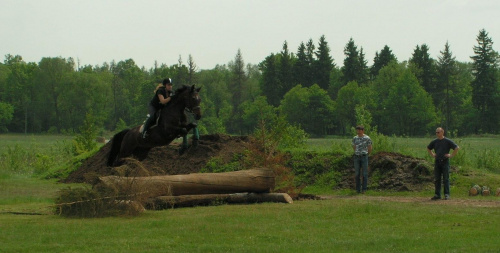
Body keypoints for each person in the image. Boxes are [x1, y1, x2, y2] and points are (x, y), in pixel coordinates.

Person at [427, 127, 459, 200]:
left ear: (442, 132)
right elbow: (428, 148)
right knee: (437, 179)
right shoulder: (434, 141)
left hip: (445, 162)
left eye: (438, 132)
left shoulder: (447, 141)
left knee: (446, 179)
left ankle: (447, 194)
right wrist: (432, 154)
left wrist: (451, 155)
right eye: (436, 132)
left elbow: (456, 147)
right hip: (437, 162)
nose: (437, 134)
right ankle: (437, 194)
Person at [352, 125, 373, 194]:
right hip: (357, 157)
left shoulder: (367, 138)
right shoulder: (355, 138)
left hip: (364, 156)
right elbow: (354, 147)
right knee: (357, 173)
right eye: (357, 130)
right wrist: (357, 152)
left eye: (359, 130)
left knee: (364, 173)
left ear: (362, 130)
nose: (358, 131)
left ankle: (364, 189)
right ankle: (358, 189)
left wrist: (366, 154)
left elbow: (369, 147)